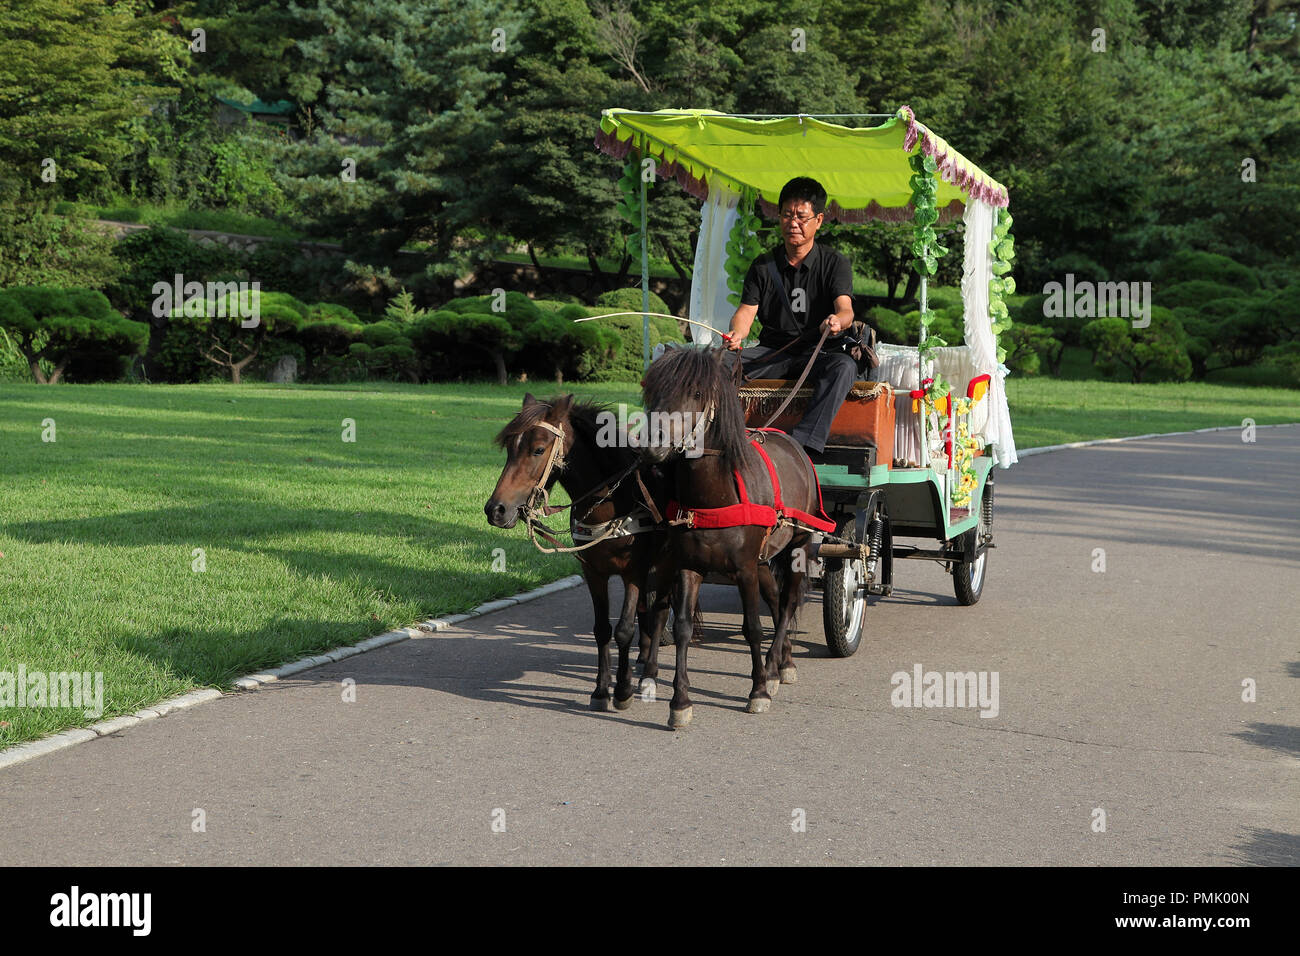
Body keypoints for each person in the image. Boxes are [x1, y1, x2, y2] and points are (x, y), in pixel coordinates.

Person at [723, 176, 857, 464]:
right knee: (718, 363)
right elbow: (746, 313)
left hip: (816, 355)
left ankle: (802, 446)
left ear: (818, 220)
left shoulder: (835, 263)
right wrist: (736, 335)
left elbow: (846, 310)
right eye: (786, 215)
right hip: (773, 353)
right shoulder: (763, 265)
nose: (793, 222)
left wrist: (837, 320)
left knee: (844, 366)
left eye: (801, 216)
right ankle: (722, 438)